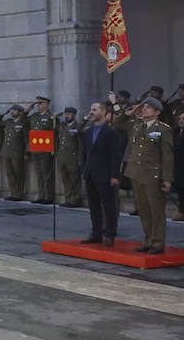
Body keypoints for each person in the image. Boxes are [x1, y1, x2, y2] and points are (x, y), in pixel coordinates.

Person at [123, 98, 174, 254]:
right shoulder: (138, 126)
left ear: (157, 112)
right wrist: (130, 112)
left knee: (156, 210)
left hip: (153, 175)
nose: (144, 109)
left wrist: (167, 178)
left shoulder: (163, 129)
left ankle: (158, 243)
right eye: (144, 107)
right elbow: (118, 123)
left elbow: (167, 156)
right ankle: (148, 240)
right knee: (144, 210)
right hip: (137, 173)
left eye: (149, 108)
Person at [80, 102, 125, 247]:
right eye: (90, 109)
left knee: (109, 207)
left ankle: (110, 234)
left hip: (105, 175)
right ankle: (96, 233)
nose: (91, 112)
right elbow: (85, 153)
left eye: (94, 109)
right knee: (94, 206)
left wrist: (114, 175)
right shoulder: (88, 131)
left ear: (103, 112)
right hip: (91, 174)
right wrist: (84, 171)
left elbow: (115, 155)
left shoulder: (111, 132)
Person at [27, 96, 56, 204]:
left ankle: (48, 197)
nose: (38, 105)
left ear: (47, 104)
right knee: (38, 173)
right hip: (35, 148)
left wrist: (53, 148)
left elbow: (55, 133)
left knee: (46, 174)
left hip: (45, 148)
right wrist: (28, 110)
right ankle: (41, 195)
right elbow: (23, 121)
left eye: (41, 103)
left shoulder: (51, 117)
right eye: (37, 103)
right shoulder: (34, 116)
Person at [55, 106, 83, 207]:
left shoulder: (77, 127)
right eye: (66, 114)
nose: (67, 116)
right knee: (65, 180)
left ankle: (75, 200)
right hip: (62, 157)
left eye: (69, 114)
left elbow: (80, 145)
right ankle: (68, 199)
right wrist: (55, 118)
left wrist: (80, 159)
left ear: (74, 115)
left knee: (74, 180)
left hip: (73, 158)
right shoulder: (61, 125)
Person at [0, 105, 29, 200]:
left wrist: (26, 153)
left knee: (18, 174)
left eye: (15, 110)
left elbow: (26, 140)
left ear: (20, 112)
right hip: (6, 152)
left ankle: (19, 194)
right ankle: (13, 193)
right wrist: (5, 112)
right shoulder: (9, 122)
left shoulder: (23, 123)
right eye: (12, 110)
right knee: (10, 174)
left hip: (17, 152)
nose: (12, 112)